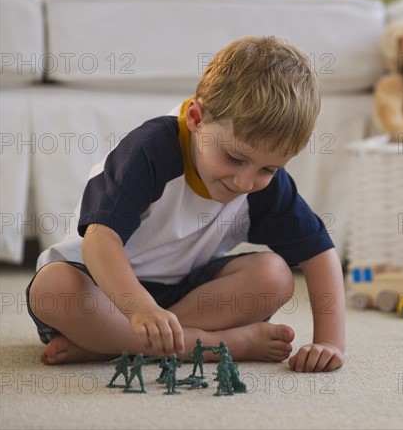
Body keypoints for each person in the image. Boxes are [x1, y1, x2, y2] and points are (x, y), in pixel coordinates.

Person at [26, 35, 345, 373]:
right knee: (53, 289)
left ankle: (112, 345)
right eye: (234, 157)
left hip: (183, 296)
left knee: (275, 276)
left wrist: (330, 342)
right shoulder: (149, 150)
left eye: (268, 168)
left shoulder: (261, 184)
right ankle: (215, 345)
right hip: (101, 289)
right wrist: (138, 310)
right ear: (196, 118)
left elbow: (319, 253)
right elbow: (99, 241)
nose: (245, 182)